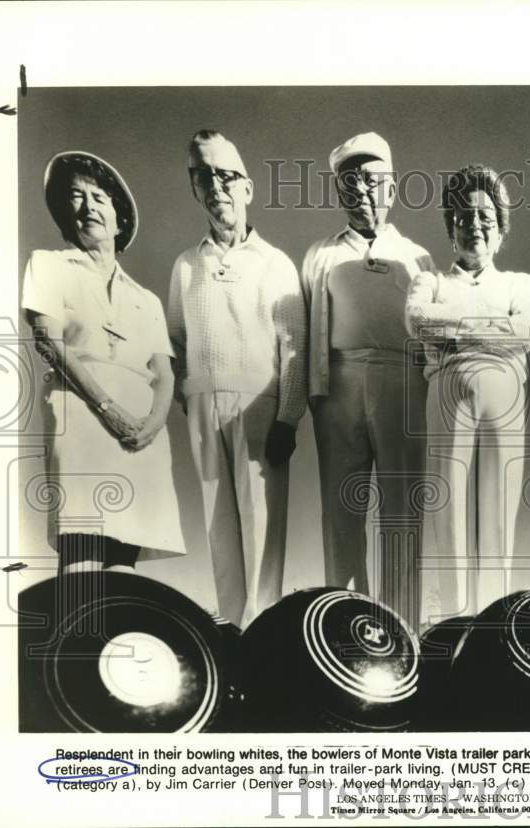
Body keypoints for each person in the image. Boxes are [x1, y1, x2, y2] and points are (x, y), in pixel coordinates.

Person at [168, 130, 307, 628]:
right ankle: (230, 633)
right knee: (218, 526)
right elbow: (176, 341)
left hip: (260, 406)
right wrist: (190, 396)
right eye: (202, 177)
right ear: (195, 189)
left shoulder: (276, 263)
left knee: (261, 526)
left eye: (225, 176)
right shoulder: (187, 265)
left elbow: (295, 346)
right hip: (205, 408)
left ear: (247, 186)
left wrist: (288, 418)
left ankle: (263, 632)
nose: (215, 187)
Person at [22, 151, 184, 572]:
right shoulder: (49, 264)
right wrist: (108, 409)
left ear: (119, 219)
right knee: (82, 561)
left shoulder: (146, 298)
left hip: (141, 431)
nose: (88, 206)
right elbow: (48, 340)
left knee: (124, 570)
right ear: (65, 212)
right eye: (76, 196)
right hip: (80, 414)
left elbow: (164, 373)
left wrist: (150, 425)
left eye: (99, 197)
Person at [301, 132, 434, 629]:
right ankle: (347, 625)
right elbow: (306, 329)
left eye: (372, 180)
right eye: (350, 181)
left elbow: (429, 333)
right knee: (341, 507)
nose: (361, 189)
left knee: (402, 510)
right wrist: (314, 395)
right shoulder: (321, 254)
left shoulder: (417, 257)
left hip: (403, 382)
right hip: (338, 382)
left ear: (392, 189)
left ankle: (402, 628)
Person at [405, 164, 530, 621]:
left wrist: (455, 332)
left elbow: (527, 330)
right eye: (464, 217)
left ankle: (492, 622)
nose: (474, 226)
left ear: (500, 230)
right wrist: (489, 330)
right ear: (451, 229)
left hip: (505, 397)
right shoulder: (431, 281)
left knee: (498, 512)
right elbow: (417, 320)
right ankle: (454, 621)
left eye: (485, 217)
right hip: (449, 394)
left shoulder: (519, 283)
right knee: (450, 509)